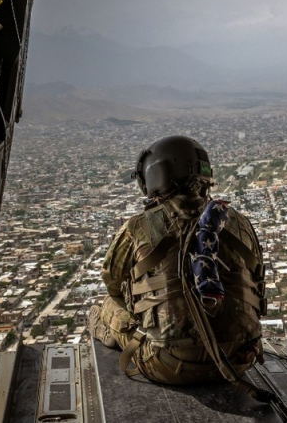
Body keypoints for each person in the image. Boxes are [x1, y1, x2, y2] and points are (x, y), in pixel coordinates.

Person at [88, 136, 267, 389]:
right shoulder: (239, 222)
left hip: (168, 365)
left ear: (154, 176)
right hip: (240, 360)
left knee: (108, 304)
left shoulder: (138, 226)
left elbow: (113, 284)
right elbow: (257, 281)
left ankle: (114, 333)